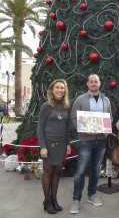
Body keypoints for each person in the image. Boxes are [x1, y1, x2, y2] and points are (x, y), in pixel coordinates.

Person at [69, 74, 112, 214]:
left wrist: (107, 129)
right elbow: (74, 117)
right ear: (87, 84)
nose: (94, 84)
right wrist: (83, 129)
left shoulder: (106, 100)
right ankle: (76, 199)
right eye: (91, 81)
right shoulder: (80, 99)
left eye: (96, 81)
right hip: (85, 140)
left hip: (101, 140)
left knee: (96, 169)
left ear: (99, 83)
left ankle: (92, 195)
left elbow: (109, 117)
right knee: (80, 171)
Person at [37, 79, 71, 214]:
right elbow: (40, 128)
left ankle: (54, 199)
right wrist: (43, 146)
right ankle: (47, 201)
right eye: (57, 87)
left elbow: (67, 127)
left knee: (58, 171)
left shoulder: (66, 106)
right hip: (49, 143)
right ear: (52, 90)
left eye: (62, 88)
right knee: (48, 172)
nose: (60, 90)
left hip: (61, 143)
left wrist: (68, 143)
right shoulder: (46, 106)